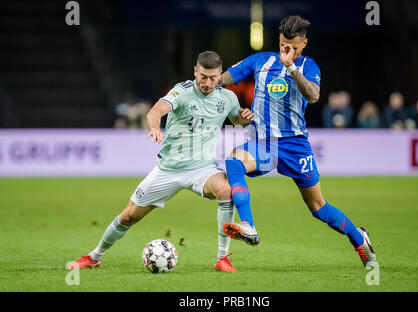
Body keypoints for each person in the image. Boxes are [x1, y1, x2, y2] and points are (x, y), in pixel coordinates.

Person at [68, 51, 254, 273]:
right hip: (168, 170)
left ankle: (222, 258)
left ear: (219, 75)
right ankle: (94, 257)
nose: (207, 82)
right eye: (203, 76)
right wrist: (155, 128)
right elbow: (156, 111)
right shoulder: (181, 92)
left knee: (226, 190)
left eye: (213, 78)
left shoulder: (228, 98)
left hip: (202, 169)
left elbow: (234, 119)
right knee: (128, 217)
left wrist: (242, 119)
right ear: (195, 71)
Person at [218, 16, 376, 267]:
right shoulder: (260, 60)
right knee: (234, 163)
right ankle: (248, 224)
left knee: (318, 208)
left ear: (304, 43)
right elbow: (224, 79)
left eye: (291, 46)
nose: (285, 50)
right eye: (282, 44)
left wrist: (291, 67)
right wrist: (204, 84)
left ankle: (359, 238)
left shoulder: (308, 66)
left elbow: (313, 96)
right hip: (263, 142)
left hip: (295, 145)